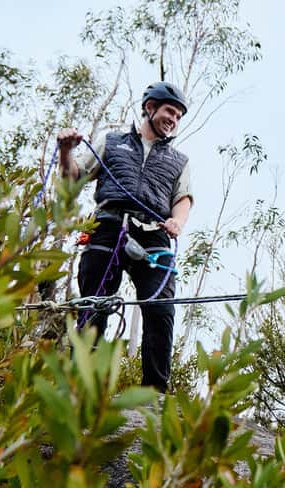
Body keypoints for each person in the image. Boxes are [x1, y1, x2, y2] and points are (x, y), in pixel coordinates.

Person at [57, 81, 194, 392]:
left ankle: (155, 393)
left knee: (161, 310)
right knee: (95, 306)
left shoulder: (179, 161)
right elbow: (72, 181)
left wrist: (177, 221)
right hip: (108, 226)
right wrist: (66, 151)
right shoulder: (112, 141)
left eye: (178, 116)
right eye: (169, 111)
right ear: (150, 108)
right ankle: (80, 386)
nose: (173, 119)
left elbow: (183, 198)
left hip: (154, 236)